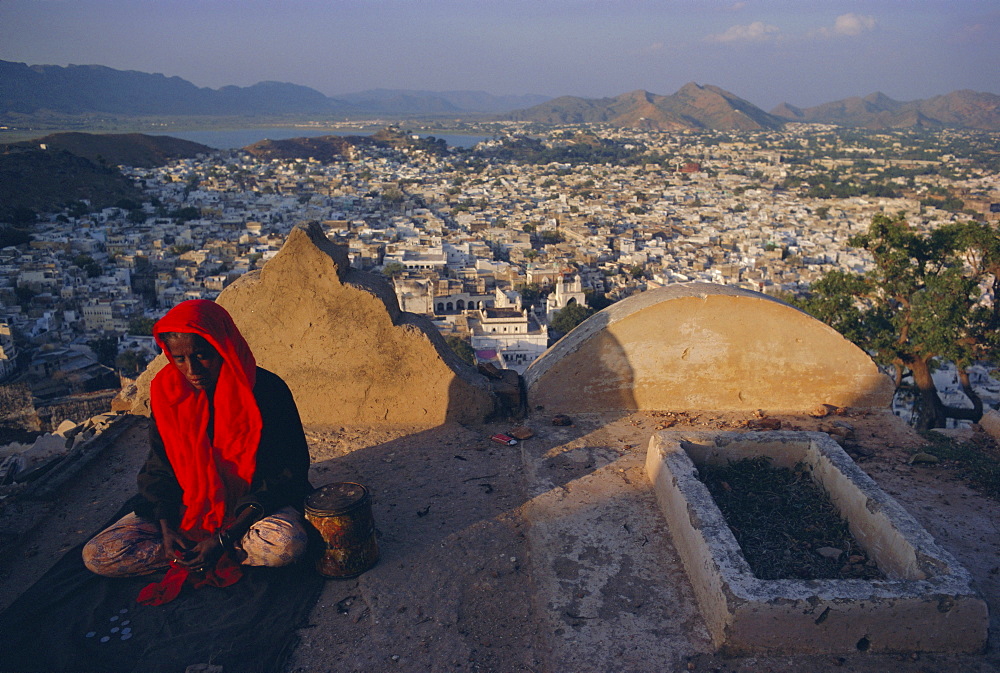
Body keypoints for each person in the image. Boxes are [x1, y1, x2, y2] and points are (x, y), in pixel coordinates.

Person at [83, 300, 312, 602]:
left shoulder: (265, 390)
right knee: (97, 555)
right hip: (187, 511)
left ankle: (208, 554)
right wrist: (166, 529)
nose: (191, 370)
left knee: (286, 545)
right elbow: (160, 466)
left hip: (251, 510)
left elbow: (287, 471)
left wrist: (224, 536)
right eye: (179, 359)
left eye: (202, 356)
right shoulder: (168, 393)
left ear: (223, 346)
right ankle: (190, 556)